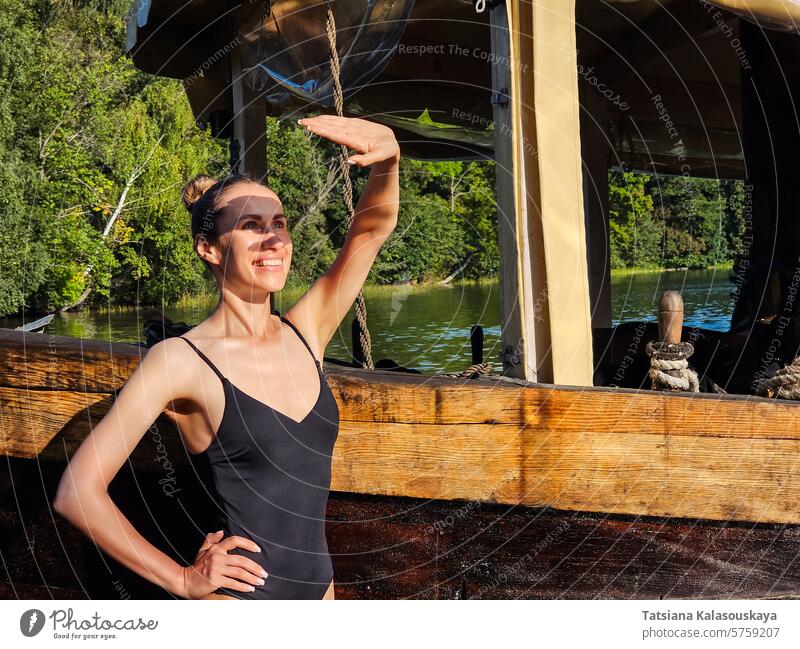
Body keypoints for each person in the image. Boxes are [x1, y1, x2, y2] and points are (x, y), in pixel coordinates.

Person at [53, 115, 401, 599]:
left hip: (322, 601)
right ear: (210, 250)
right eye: (252, 227)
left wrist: (389, 160)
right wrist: (182, 580)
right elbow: (78, 494)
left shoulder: (306, 332)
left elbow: (370, 231)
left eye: (279, 224)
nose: (274, 239)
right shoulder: (181, 360)